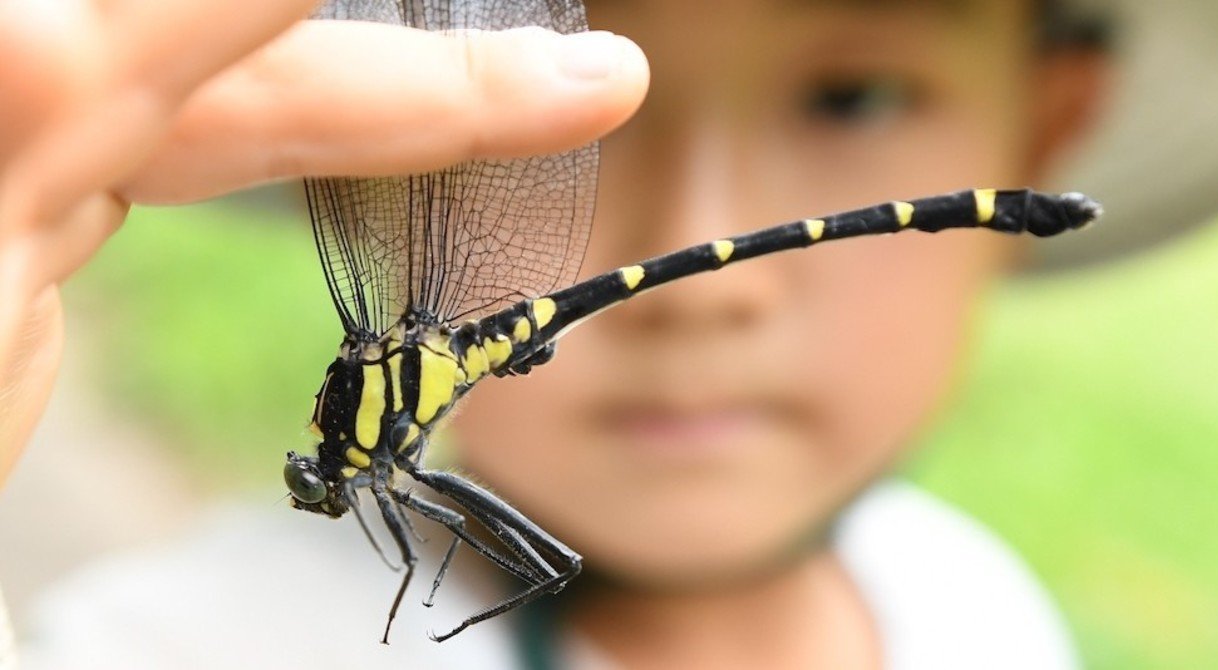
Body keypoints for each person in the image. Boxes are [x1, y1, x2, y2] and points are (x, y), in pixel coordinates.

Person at [3, 0, 1109, 668]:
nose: (699, 286)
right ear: (357, 146)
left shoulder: (975, 608)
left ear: (1051, 121)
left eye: (851, 96)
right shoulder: (192, 644)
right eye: (564, 123)